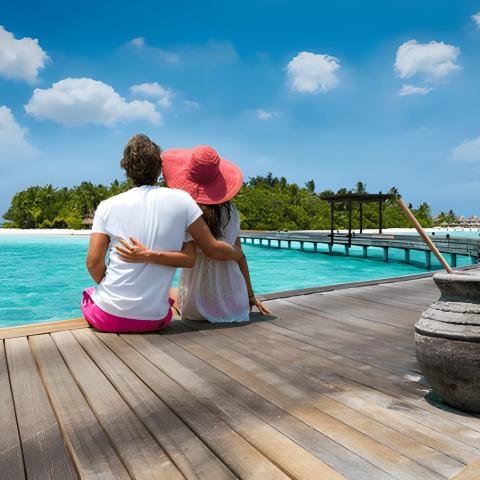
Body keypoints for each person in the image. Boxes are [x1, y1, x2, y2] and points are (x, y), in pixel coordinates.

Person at [82, 135, 242, 333]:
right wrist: (238, 253)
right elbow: (195, 256)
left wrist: (116, 292)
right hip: (155, 319)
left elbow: (93, 263)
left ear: (126, 168)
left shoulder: (107, 206)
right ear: (160, 167)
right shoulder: (183, 201)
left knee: (90, 296)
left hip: (107, 317)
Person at [117, 145, 270, 322]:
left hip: (198, 306)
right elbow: (240, 256)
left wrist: (147, 255)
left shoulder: (186, 212)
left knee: (164, 291)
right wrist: (250, 296)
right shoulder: (232, 213)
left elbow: (192, 256)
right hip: (235, 303)